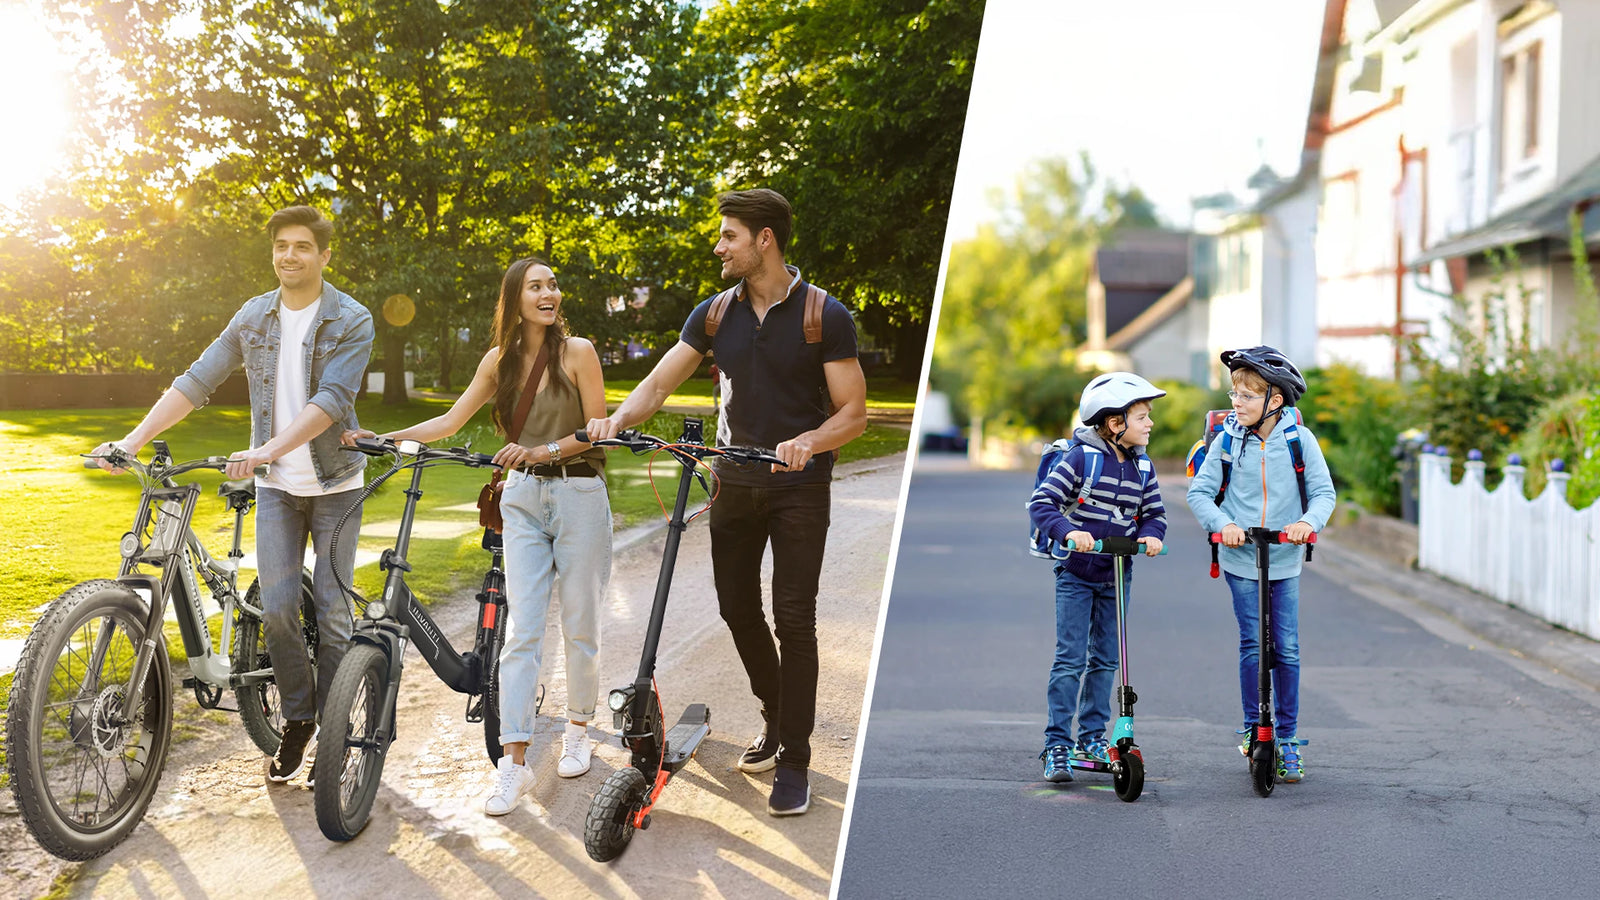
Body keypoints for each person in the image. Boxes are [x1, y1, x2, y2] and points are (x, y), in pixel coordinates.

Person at [586, 188, 867, 817]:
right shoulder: (714, 314)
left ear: (765, 239)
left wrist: (809, 441)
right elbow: (659, 382)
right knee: (736, 607)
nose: (719, 247)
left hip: (798, 488)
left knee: (793, 618)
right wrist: (616, 422)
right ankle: (776, 712)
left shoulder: (824, 315)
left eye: (728, 236)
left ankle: (795, 760)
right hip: (733, 481)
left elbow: (854, 413)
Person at [94, 205, 374, 784]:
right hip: (276, 489)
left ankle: (337, 735)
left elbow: (331, 400)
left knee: (332, 612)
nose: (290, 255)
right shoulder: (253, 316)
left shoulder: (351, 318)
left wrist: (267, 449)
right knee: (278, 611)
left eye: (302, 246)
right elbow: (197, 380)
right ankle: (299, 720)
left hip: (335, 484)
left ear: (324, 256)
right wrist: (131, 441)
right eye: (281, 246)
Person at [344, 257, 610, 816]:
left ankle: (579, 730)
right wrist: (386, 437)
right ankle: (514, 764)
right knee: (521, 633)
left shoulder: (578, 353)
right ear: (515, 299)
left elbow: (597, 432)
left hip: (579, 494)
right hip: (522, 498)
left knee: (581, 623)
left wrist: (541, 450)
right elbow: (449, 422)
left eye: (553, 285)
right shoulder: (498, 361)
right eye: (536, 286)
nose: (549, 293)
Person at [1185, 345, 1336, 783]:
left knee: (1286, 648)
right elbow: (1200, 492)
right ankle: (1256, 727)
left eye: (1247, 396)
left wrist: (1307, 523)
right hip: (1241, 556)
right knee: (1253, 643)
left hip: (1284, 556)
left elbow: (1324, 493)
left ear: (1275, 400)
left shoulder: (1299, 440)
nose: (1237, 402)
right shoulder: (1228, 440)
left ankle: (1286, 738)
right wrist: (1224, 524)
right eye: (1234, 394)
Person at [1027, 372, 1168, 783]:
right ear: (1114, 422)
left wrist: (1151, 535)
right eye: (1142, 416)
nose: (1150, 423)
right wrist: (1069, 532)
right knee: (1070, 659)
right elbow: (1042, 503)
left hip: (1117, 573)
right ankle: (1057, 743)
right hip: (1076, 573)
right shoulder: (1081, 459)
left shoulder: (1143, 466)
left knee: (1106, 660)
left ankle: (1091, 737)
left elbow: (1154, 514)